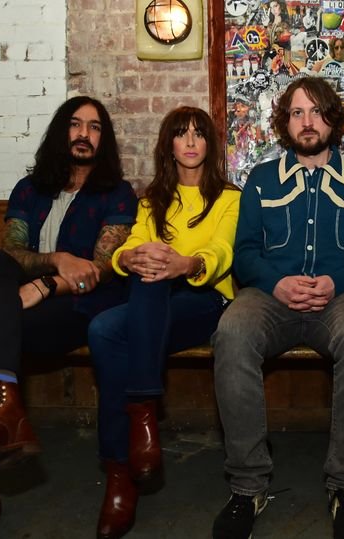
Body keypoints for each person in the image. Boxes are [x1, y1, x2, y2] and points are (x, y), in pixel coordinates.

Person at [0, 96, 138, 539]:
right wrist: (57, 259)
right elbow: (13, 253)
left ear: (105, 139)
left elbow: (96, 270)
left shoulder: (116, 193)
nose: (84, 134)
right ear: (62, 132)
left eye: (95, 127)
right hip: (20, 300)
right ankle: (2, 410)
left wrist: (44, 284)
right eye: (76, 125)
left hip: (76, 309)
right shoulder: (30, 189)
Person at [211, 77, 344, 539]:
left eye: (316, 112)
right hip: (271, 300)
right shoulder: (260, 180)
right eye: (297, 113)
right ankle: (248, 485)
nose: (307, 122)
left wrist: (339, 282)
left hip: (343, 300)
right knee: (232, 331)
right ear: (284, 123)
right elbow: (246, 252)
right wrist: (276, 284)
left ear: (333, 118)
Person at [87, 107, 240, 539]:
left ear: (210, 145)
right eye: (181, 134)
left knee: (153, 277)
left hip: (207, 299)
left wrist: (187, 263)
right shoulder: (151, 199)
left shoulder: (230, 198)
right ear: (168, 145)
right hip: (156, 297)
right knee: (103, 327)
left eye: (198, 134)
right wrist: (126, 257)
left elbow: (224, 252)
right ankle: (124, 461)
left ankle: (139, 419)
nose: (190, 142)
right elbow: (131, 248)